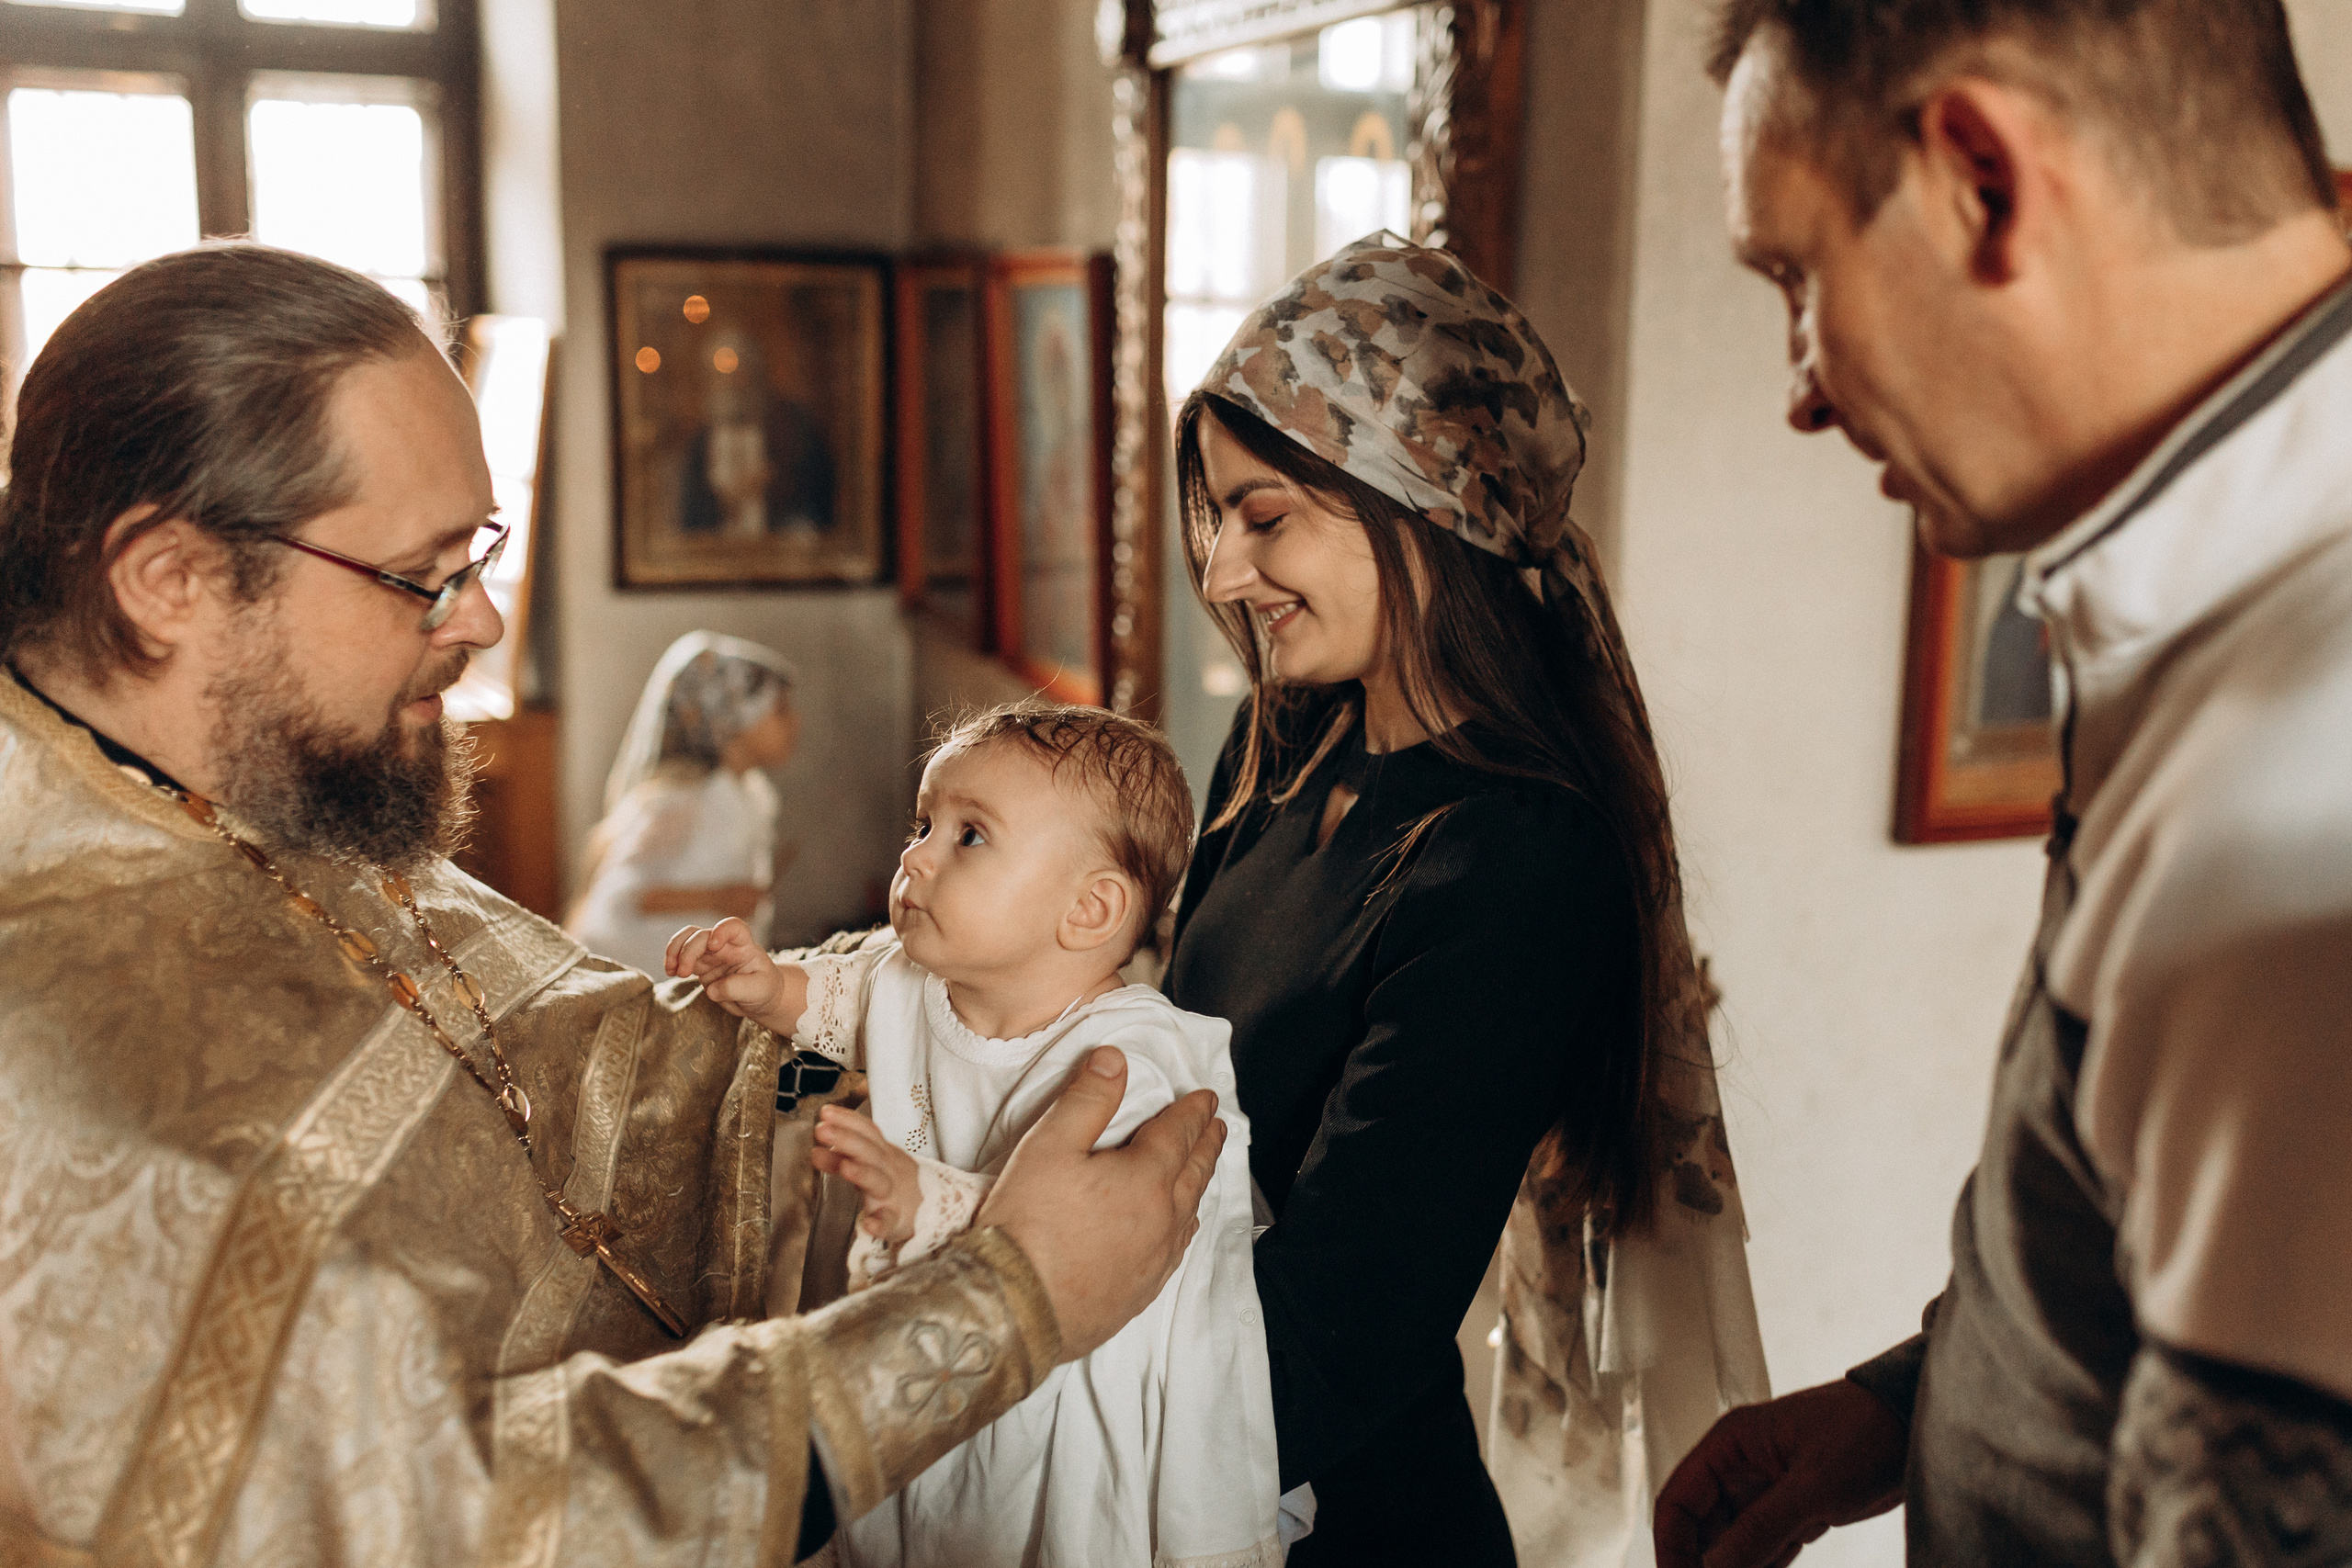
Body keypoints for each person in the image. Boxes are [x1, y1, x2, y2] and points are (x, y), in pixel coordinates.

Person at [0, 243, 1227, 1566]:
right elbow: (432, 1525)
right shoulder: (66, 1060)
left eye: (479, 553)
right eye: (425, 572)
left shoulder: (261, 784)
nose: (475, 620)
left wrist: (961, 1042)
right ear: (169, 580)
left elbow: (584, 1068)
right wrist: (1006, 1297)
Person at [1656, 2, 2352, 1564]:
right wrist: (1910, 1403)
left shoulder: (2302, 748)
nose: (1802, 390)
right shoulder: (2204, 584)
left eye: (1795, 276)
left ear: (1981, 176)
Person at [1160, 232, 1770, 1567]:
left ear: (1421, 496)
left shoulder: (1513, 857)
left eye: (1265, 517)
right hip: (1166, 1428)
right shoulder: (1283, 741)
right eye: (1217, 517)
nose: (1220, 572)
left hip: (1321, 1505)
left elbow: (1341, 1330)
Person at [668, 700, 1282, 1566]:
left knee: (1014, 1524)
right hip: (939, 1325)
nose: (915, 854)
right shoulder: (920, 972)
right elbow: (854, 996)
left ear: (1089, 909)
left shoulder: (1136, 1055)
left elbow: (1084, 1216)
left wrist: (927, 1199)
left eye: (970, 836)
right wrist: (771, 988)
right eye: (925, 824)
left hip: (1070, 1367)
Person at [568, 629, 798, 976]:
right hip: (648, 973)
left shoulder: (750, 794)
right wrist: (717, 898)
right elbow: (621, 896)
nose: (795, 723)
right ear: (733, 720)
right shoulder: (680, 800)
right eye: (779, 710)